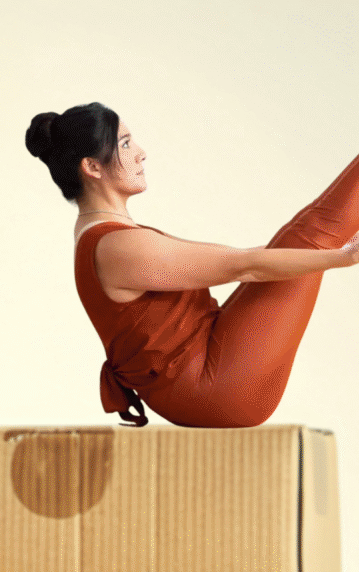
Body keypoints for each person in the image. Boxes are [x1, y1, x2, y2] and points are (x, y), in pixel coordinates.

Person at [26, 102, 359, 427]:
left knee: (299, 238)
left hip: (205, 372)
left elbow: (248, 260)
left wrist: (333, 254)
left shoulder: (105, 235)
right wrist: (345, 257)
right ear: (93, 168)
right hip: (212, 389)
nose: (141, 153)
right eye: (125, 144)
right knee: (312, 233)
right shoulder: (116, 246)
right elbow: (245, 266)